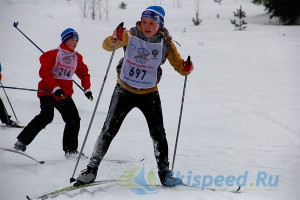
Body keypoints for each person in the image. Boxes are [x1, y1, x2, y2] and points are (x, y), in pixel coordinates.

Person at [75, 6, 194, 187]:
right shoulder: (130, 35)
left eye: (151, 23)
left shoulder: (165, 44)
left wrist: (186, 68)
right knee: (109, 129)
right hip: (124, 90)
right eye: (144, 21)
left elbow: (179, 66)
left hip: (149, 93)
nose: (147, 26)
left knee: (158, 133)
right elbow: (107, 46)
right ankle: (91, 169)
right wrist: (115, 37)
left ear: (159, 25)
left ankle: (165, 174)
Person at [13, 28, 93, 160]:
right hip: (48, 92)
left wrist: (87, 88)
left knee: (73, 119)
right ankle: (21, 142)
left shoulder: (76, 57)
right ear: (65, 40)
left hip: (64, 94)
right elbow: (44, 72)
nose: (75, 42)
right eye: (72, 39)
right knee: (46, 116)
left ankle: (71, 151)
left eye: (77, 40)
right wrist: (55, 86)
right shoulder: (54, 54)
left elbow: (84, 73)